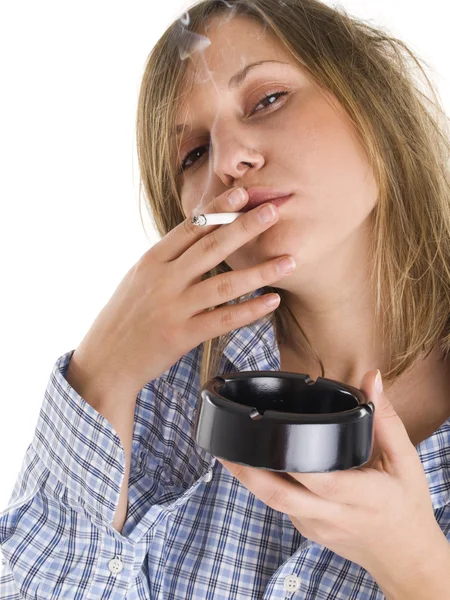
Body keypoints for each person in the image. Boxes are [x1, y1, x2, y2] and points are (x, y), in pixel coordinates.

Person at [1, 0, 450, 597]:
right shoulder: (161, 392)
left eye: (267, 100)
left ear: (373, 101)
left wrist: (416, 565)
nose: (231, 161)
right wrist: (101, 372)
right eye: (194, 155)